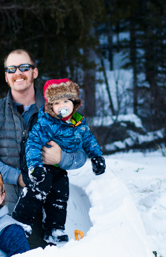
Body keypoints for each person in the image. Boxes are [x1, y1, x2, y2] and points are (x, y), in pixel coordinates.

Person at [0, 49, 88, 247]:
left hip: (42, 213)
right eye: (12, 69)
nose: (18, 73)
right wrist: (17, 177)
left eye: (24, 67)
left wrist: (60, 158)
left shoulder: (59, 111)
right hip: (1, 210)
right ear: (6, 77)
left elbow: (82, 154)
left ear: (34, 72)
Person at [12, 78, 106, 244]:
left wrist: (97, 157)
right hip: (41, 166)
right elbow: (32, 144)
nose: (62, 106)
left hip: (59, 169)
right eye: (57, 103)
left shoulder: (78, 122)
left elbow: (88, 140)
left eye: (66, 101)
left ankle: (54, 229)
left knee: (60, 195)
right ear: (50, 107)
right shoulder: (46, 123)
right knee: (38, 188)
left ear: (74, 102)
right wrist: (35, 167)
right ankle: (20, 221)